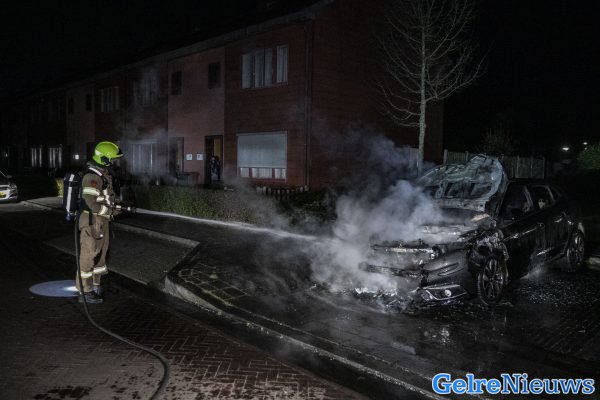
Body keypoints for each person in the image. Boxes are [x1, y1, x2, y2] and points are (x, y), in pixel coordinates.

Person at [76, 141, 123, 304]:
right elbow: (91, 203)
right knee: (89, 256)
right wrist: (111, 211)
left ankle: (96, 286)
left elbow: (104, 199)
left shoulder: (102, 174)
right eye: (112, 159)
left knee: (101, 256)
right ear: (104, 159)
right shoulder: (92, 177)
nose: (114, 163)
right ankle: (85, 291)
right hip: (92, 222)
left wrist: (115, 206)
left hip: (101, 221)